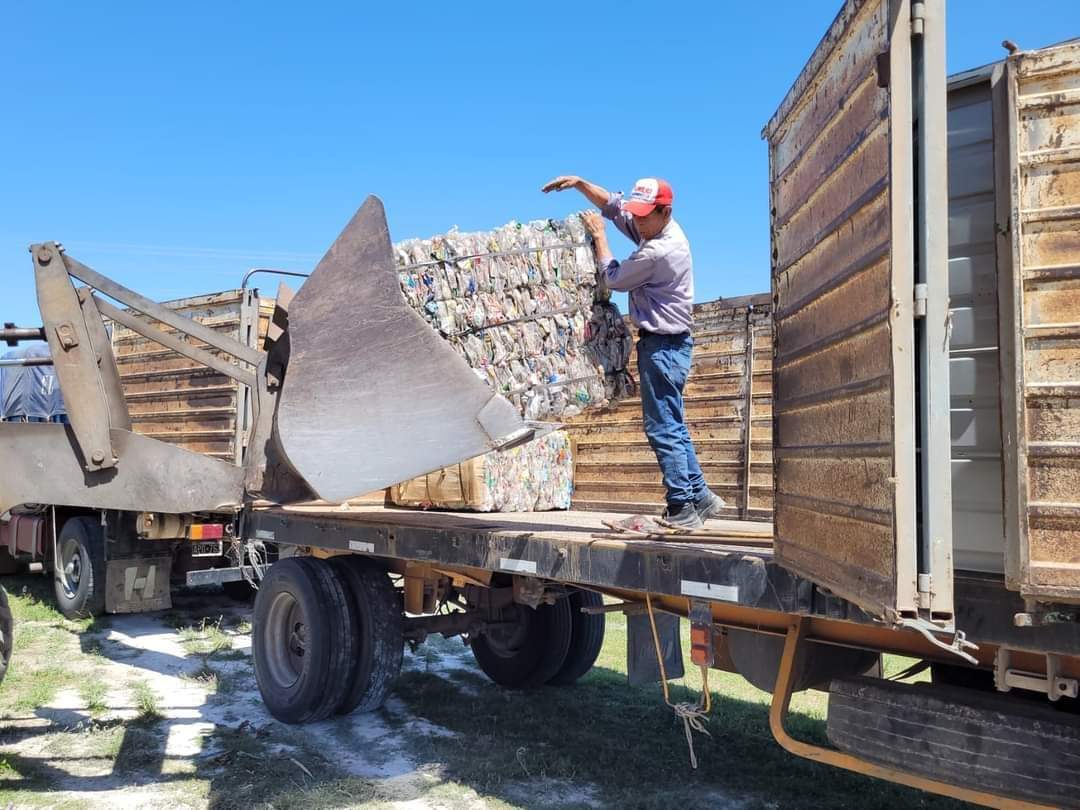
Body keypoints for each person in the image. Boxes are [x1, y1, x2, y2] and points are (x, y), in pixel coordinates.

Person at [542, 175, 725, 529]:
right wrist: (581, 184)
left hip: (663, 346)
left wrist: (599, 238)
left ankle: (682, 507)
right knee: (673, 423)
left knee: (661, 428)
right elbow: (613, 206)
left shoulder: (659, 251)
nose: (637, 222)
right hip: (670, 345)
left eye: (644, 216)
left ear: (665, 211)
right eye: (636, 215)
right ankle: (700, 495)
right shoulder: (657, 229)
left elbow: (614, 277)